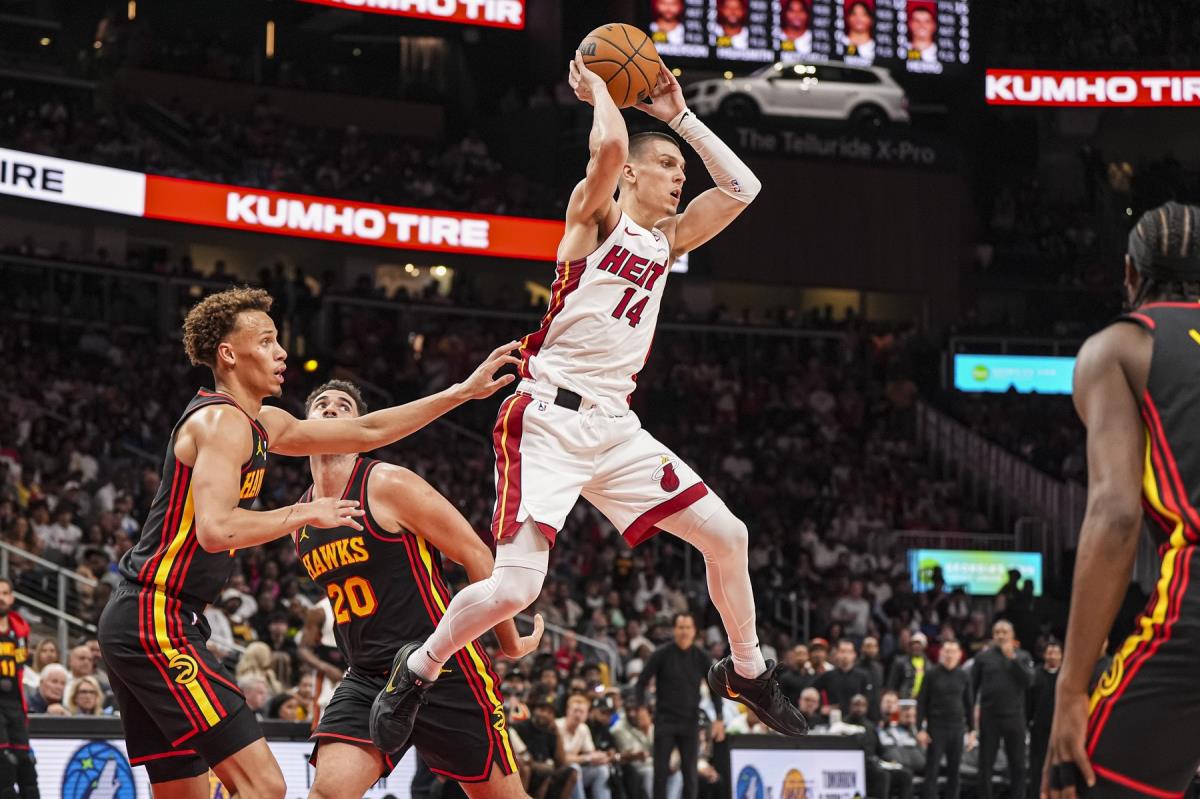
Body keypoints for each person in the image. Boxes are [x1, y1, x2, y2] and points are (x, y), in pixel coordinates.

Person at [372, 47, 803, 756]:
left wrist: (682, 120)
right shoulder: (594, 219)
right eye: (669, 166)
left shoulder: (665, 242)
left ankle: (748, 672)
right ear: (632, 173)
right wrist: (603, 88)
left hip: (616, 427)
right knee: (515, 590)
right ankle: (416, 668)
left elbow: (742, 187)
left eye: (682, 171)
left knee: (729, 536)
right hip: (547, 417)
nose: (681, 179)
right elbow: (607, 147)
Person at [96, 286, 517, 795]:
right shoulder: (222, 421)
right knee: (265, 787)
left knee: (182, 792)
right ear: (228, 354)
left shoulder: (262, 423)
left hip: (156, 619)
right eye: (266, 341)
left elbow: (368, 431)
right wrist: (306, 511)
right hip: (156, 618)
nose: (282, 353)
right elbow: (216, 530)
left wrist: (461, 392)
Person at [296, 380, 540, 798]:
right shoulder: (301, 517)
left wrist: (510, 640)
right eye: (321, 404)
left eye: (344, 405)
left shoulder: (387, 484)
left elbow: (475, 554)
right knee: (326, 794)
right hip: (368, 677)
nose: (331, 409)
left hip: (441, 665)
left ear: (362, 426)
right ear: (303, 422)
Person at [1045, 202, 1200, 798]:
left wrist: (1071, 690)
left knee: (1076, 779)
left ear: (1130, 273)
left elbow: (1115, 517)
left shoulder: (1121, 346)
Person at [635, 613, 724, 799]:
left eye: (688, 627)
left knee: (690, 773)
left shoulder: (701, 656)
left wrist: (719, 718)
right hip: (665, 721)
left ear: (694, 631)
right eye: (681, 627)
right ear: (674, 630)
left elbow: (715, 688)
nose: (684, 631)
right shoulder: (661, 654)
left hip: (690, 722)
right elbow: (641, 683)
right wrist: (641, 709)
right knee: (660, 772)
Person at [972, 620, 1034, 799]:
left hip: (1015, 717)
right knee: (985, 764)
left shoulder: (1023, 656)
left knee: (1018, 764)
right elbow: (972, 688)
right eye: (997, 632)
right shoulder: (982, 657)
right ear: (993, 635)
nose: (1000, 636)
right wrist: (971, 718)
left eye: (1004, 632)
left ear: (1012, 635)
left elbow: (1029, 681)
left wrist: (1012, 659)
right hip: (989, 716)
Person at [916, 639, 973, 799]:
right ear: (941, 653)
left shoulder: (964, 675)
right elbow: (921, 702)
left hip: (957, 727)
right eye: (946, 651)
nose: (949, 655)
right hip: (936, 727)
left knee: (954, 771)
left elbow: (969, 704)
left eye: (953, 651)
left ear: (959, 654)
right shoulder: (931, 674)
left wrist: (972, 730)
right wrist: (919, 729)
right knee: (932, 770)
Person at [0, 579, 35, 799]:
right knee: (4, 763)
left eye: (5, 593)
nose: (1, 598)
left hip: (15, 703)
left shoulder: (20, 630)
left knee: (26, 763)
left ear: (12, 598)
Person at [516, 702, 577, 799]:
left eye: (550, 713)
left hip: (546, 771)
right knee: (544, 773)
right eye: (542, 710)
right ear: (534, 710)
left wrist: (557, 732)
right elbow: (522, 756)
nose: (545, 714)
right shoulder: (522, 727)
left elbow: (561, 761)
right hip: (528, 769)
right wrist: (539, 766)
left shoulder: (551, 732)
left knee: (571, 772)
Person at [556, 695, 610, 799]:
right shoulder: (557, 726)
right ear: (568, 711)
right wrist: (587, 758)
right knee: (575, 769)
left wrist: (602, 757)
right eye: (575, 710)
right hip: (557, 771)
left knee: (602, 769)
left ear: (586, 714)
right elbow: (561, 759)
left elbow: (591, 753)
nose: (578, 715)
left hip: (576, 771)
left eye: (582, 712)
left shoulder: (583, 729)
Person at [1028, 641, 1060, 798]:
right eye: (1049, 653)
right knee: (1037, 766)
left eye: (1056, 653)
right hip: (1039, 729)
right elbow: (1028, 702)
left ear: (1062, 655)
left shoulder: (1065, 676)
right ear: (1044, 655)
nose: (1052, 656)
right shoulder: (1035, 674)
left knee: (1058, 766)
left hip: (1059, 729)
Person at [814, 639, 876, 719]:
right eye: (842, 651)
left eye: (849, 652)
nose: (845, 655)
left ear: (854, 655)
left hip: (856, 720)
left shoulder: (863, 676)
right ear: (837, 654)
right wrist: (820, 708)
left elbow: (870, 700)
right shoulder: (828, 675)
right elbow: (811, 691)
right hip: (833, 719)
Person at [886, 632, 928, 700]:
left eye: (919, 644)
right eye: (914, 644)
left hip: (921, 700)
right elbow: (892, 683)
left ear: (924, 646)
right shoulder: (900, 662)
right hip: (903, 698)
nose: (916, 646)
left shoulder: (928, 665)